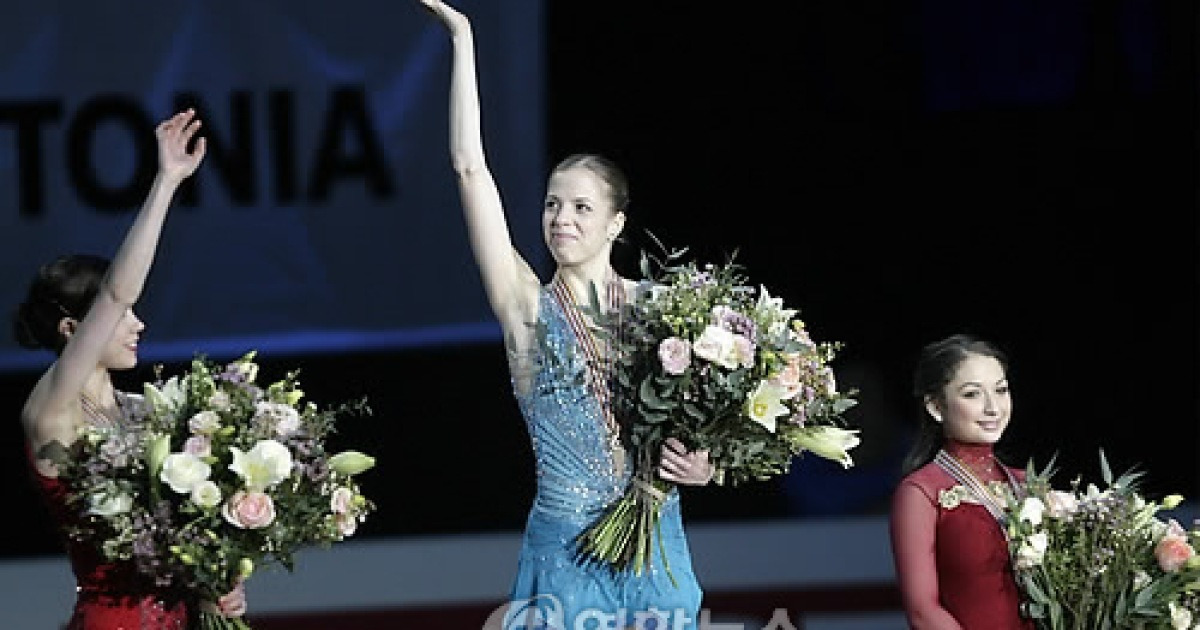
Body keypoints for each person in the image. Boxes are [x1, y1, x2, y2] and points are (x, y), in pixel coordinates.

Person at [418, 1, 712, 627]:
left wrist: (704, 466)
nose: (561, 219)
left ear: (616, 223)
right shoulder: (525, 304)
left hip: (658, 550)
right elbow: (470, 168)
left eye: (581, 207)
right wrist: (462, 37)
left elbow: (710, 425)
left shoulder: (667, 312)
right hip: (565, 557)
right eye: (552, 205)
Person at [15, 109, 246, 629]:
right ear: (73, 329)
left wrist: (217, 581)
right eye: (122, 317)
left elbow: (176, 534)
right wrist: (166, 183)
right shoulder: (53, 407)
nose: (137, 323)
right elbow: (119, 291)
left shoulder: (141, 410)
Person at [888, 333, 1033, 629]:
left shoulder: (1029, 485)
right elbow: (923, 612)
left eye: (1001, 390)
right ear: (935, 407)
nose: (993, 408)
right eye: (972, 394)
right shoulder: (921, 492)